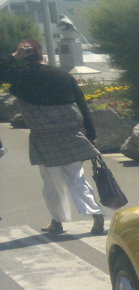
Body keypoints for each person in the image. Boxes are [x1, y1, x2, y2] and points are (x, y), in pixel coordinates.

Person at [0, 39, 104, 235]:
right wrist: (91, 133)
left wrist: (14, 56)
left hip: (44, 135)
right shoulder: (62, 75)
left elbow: (2, 70)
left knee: (52, 183)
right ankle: (95, 213)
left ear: (25, 57)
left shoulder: (23, 76)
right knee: (77, 177)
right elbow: (82, 104)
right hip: (71, 133)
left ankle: (57, 222)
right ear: (41, 55)